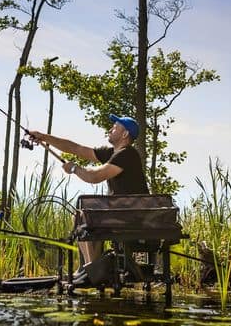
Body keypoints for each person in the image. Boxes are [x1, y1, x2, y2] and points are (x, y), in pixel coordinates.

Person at [28, 113, 149, 283]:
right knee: (83, 217)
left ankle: (93, 271)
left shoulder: (127, 154)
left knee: (82, 216)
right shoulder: (112, 153)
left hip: (131, 218)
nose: (110, 129)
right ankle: (90, 267)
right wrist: (43, 137)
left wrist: (75, 169)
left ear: (124, 134)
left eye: (115, 127)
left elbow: (95, 177)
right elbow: (76, 149)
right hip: (124, 215)